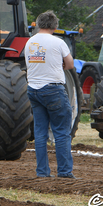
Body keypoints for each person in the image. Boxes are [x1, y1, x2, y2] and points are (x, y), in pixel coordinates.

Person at [24, 10, 76, 179]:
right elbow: (70, 64)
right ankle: (64, 172)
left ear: (38, 24)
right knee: (61, 132)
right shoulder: (58, 42)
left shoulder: (29, 43)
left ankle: (42, 172)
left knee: (40, 133)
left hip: (33, 89)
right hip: (53, 89)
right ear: (55, 26)